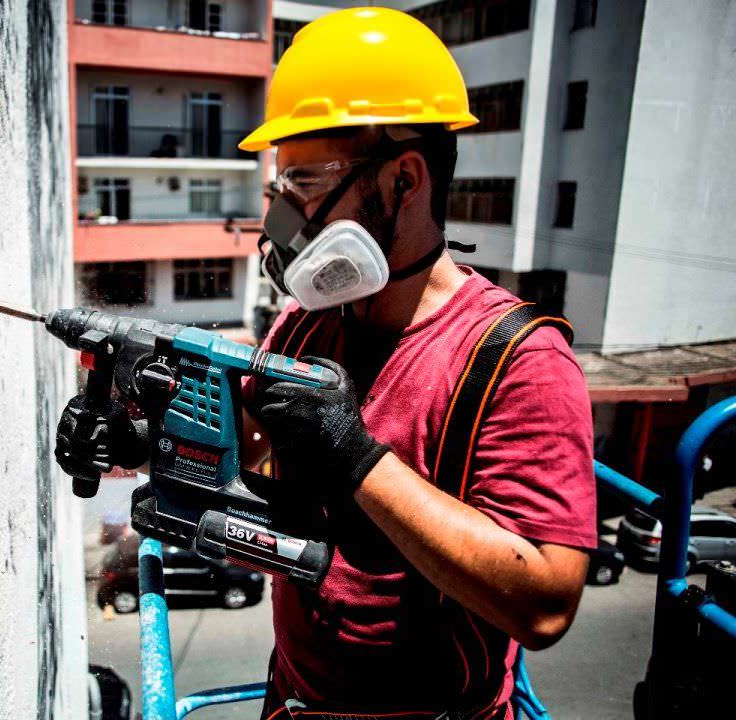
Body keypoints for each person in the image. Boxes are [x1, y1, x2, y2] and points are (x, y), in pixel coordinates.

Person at [56, 8, 595, 719]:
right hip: (294, 703)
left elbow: (546, 604)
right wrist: (136, 440)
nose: (285, 225)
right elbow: (235, 444)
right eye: (282, 192)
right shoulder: (307, 323)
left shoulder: (517, 359)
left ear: (404, 180)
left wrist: (357, 456)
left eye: (306, 184)